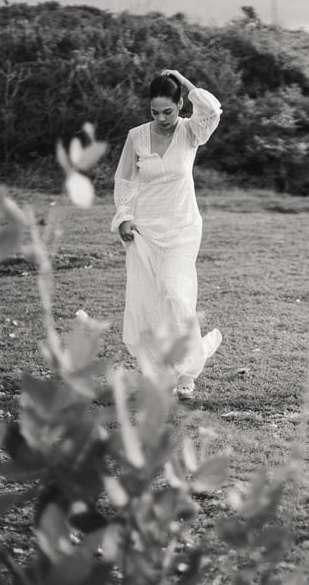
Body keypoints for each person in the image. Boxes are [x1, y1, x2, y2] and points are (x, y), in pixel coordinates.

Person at [111, 69, 222, 401]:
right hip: (145, 229)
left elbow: (213, 110)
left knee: (176, 294)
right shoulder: (136, 136)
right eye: (154, 112)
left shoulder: (191, 131)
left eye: (168, 111)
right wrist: (124, 217)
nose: (161, 118)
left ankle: (187, 371)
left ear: (180, 104)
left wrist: (183, 80)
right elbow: (125, 181)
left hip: (182, 227)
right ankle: (161, 373)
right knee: (150, 303)